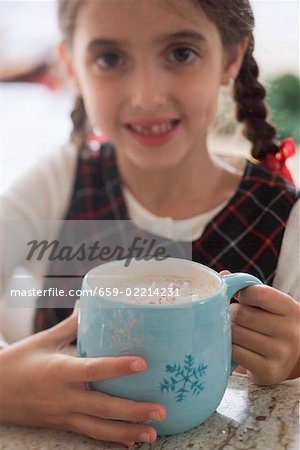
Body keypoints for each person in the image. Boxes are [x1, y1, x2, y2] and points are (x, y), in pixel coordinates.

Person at [0, 0, 299, 446]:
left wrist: (295, 361)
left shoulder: (285, 219)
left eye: (180, 53)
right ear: (72, 67)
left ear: (231, 58)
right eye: (110, 58)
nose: (146, 96)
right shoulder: (58, 182)